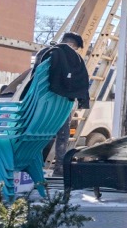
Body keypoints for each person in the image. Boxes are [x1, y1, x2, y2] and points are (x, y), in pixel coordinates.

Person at [30, 32, 92, 176]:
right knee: (62, 135)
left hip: (41, 103)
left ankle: (36, 166)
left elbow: (35, 76)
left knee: (39, 135)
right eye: (76, 48)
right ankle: (59, 167)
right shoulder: (74, 59)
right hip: (62, 105)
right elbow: (80, 81)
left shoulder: (43, 53)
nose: (75, 51)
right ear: (72, 45)